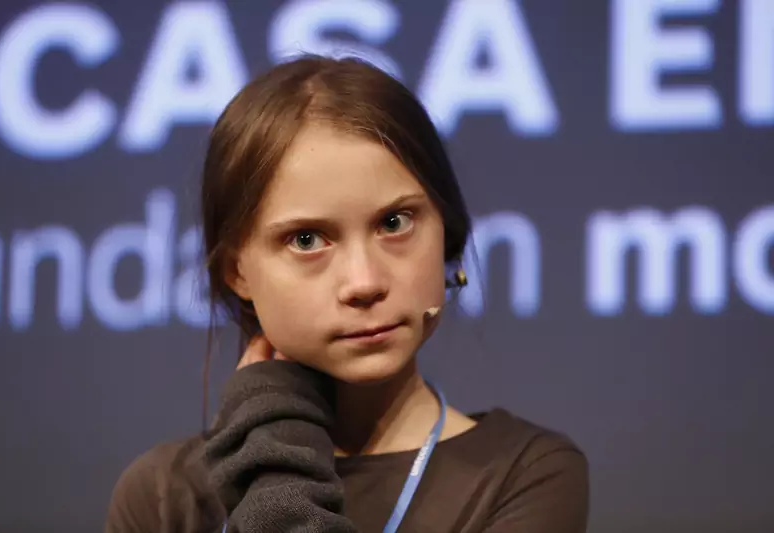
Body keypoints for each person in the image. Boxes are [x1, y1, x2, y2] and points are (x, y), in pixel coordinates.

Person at [105, 54, 589, 533]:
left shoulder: (526, 476)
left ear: (448, 231)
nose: (364, 282)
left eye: (394, 223)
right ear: (238, 271)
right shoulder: (164, 499)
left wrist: (276, 483)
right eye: (307, 240)